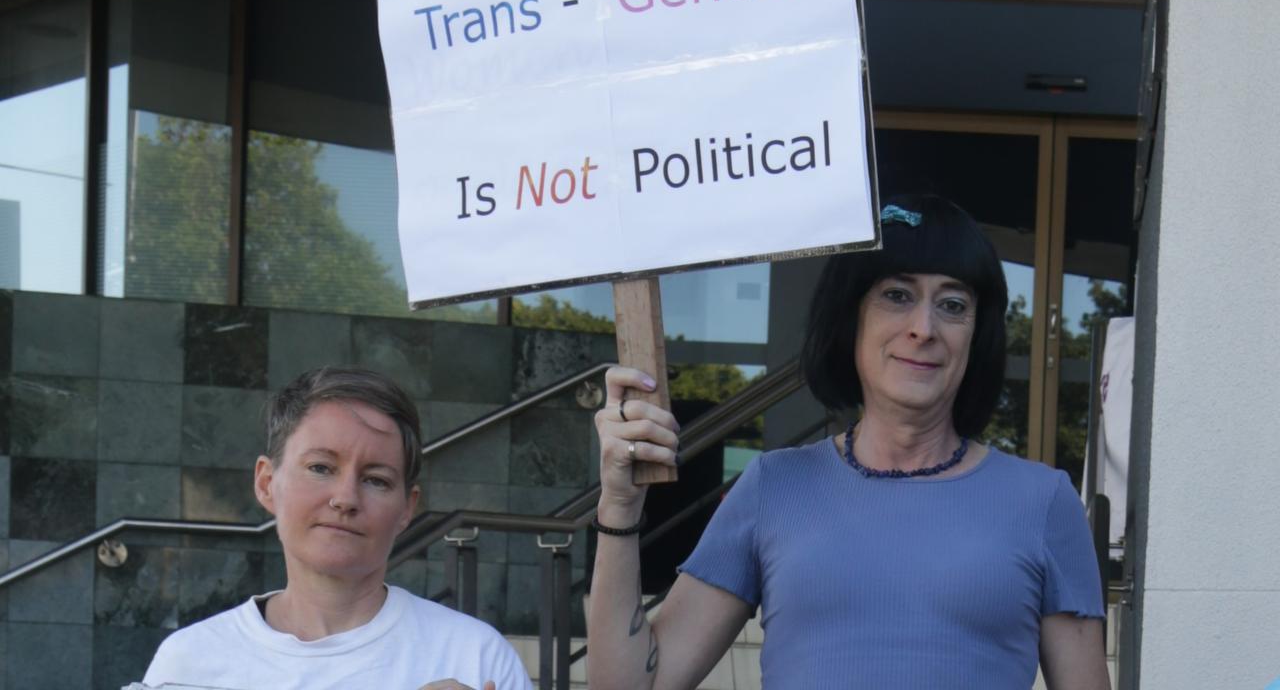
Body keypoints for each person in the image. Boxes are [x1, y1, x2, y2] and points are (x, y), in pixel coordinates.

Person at [587, 195, 1110, 689]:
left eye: (952, 305)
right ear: (850, 316)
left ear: (977, 335)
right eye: (897, 296)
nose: (923, 328)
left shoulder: (1043, 502)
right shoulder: (774, 486)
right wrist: (619, 504)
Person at [141, 367, 531, 690]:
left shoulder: (475, 658)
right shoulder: (189, 666)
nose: (345, 498)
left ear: (406, 509)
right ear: (266, 483)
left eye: (376, 479)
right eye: (321, 468)